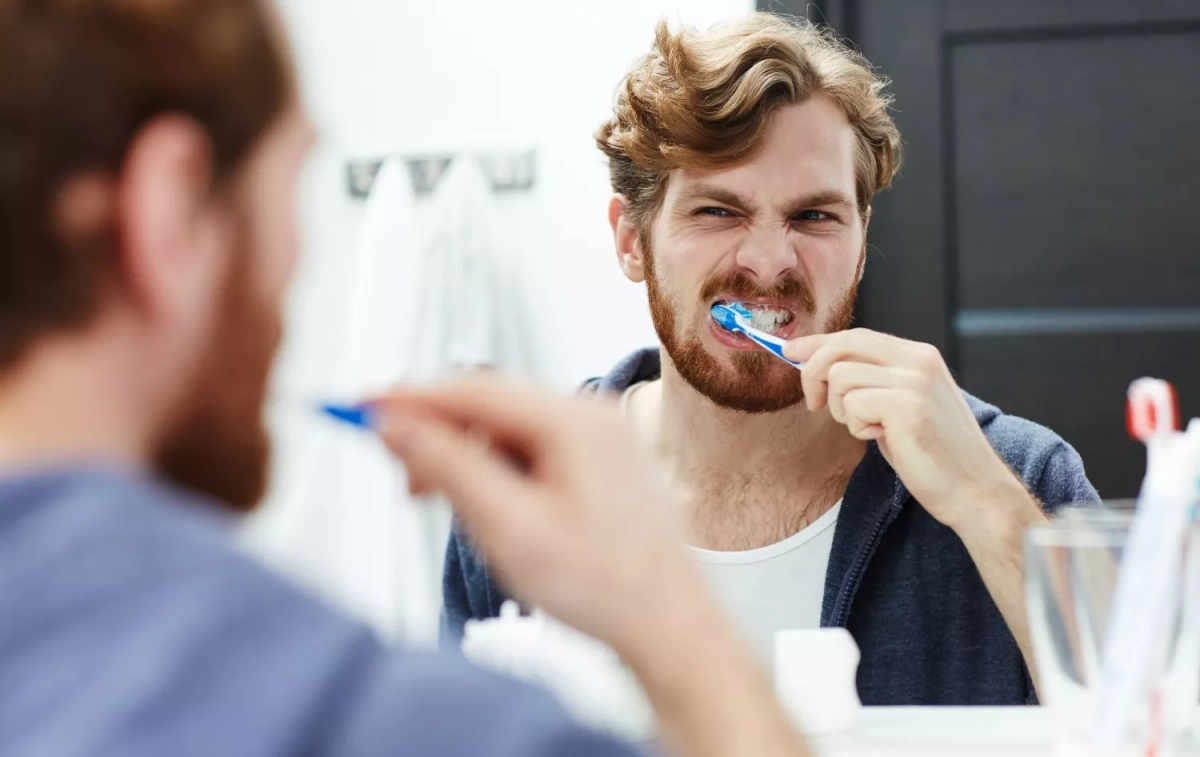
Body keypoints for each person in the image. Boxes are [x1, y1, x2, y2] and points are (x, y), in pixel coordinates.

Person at [0, 2, 809, 756]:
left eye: (815, 213)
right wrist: (671, 618)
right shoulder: (339, 714)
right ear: (169, 209)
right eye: (290, 190)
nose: (296, 265)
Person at [442, 13, 1101, 706]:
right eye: (718, 212)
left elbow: (1157, 724)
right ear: (632, 240)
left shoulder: (1020, 475)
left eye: (815, 217)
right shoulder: (515, 493)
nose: (768, 261)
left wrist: (989, 506)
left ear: (862, 236)